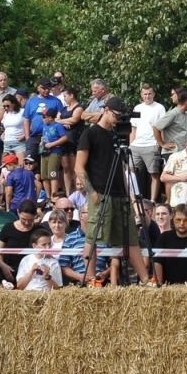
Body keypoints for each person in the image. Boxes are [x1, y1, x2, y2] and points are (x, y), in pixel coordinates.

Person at [75, 95, 153, 287]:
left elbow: (122, 168)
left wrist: (129, 194)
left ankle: (145, 279)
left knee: (131, 238)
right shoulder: (90, 134)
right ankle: (92, 279)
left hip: (120, 194)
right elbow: (79, 166)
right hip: (101, 192)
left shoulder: (118, 137)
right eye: (117, 115)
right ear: (107, 111)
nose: (119, 120)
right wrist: (92, 193)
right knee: (93, 237)